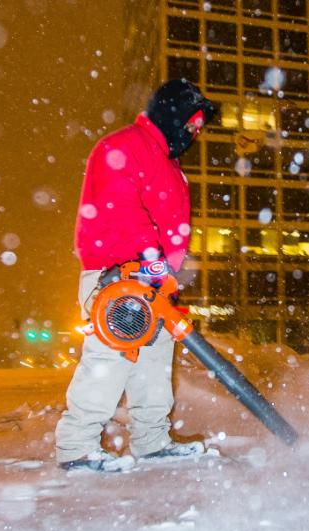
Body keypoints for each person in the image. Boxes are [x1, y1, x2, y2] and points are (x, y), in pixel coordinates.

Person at [56, 79, 216, 472]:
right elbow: (119, 207)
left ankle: (152, 441)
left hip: (154, 281)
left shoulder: (169, 164)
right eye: (191, 125)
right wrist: (150, 257)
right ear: (173, 115)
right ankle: (76, 447)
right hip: (120, 275)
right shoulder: (122, 147)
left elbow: (172, 226)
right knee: (110, 358)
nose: (193, 135)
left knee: (154, 365)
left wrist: (168, 271)